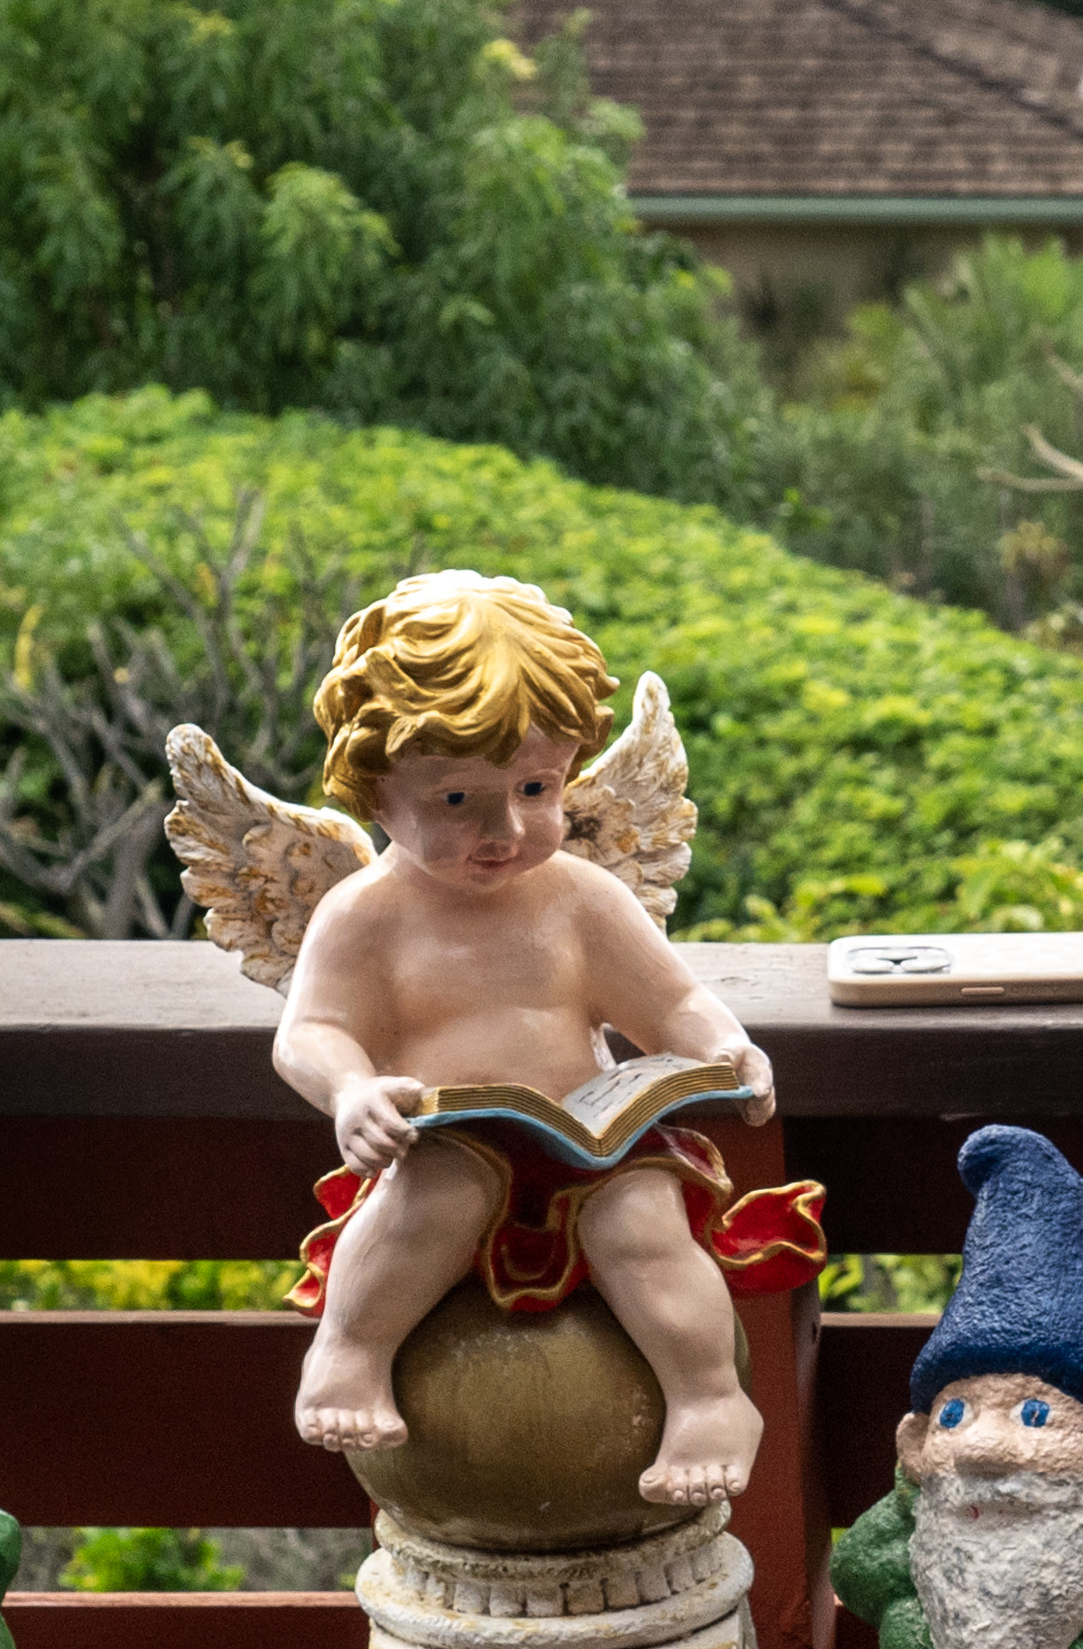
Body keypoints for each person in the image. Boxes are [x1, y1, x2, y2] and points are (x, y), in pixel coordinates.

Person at [265, 571, 774, 1502]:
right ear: (378, 792)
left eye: (537, 788)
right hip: (447, 1140)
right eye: (459, 800)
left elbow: (674, 1003)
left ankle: (710, 1398)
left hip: (594, 1145)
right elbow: (311, 1031)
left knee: (645, 1225)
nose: (506, 829)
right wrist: (352, 1091)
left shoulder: (583, 898)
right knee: (429, 1202)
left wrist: (727, 1045)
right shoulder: (363, 916)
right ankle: (350, 1350)